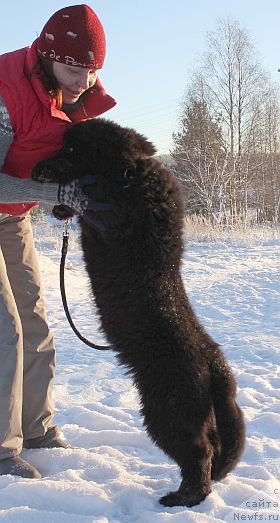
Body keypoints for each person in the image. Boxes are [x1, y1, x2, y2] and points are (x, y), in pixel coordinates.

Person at [0, 4, 116, 479]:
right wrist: (53, 193)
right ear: (46, 57)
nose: (82, 81)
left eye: (91, 72)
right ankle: (2, 452)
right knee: (4, 326)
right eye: (73, 69)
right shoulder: (5, 91)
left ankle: (37, 429)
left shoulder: (79, 97)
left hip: (11, 218)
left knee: (34, 319)